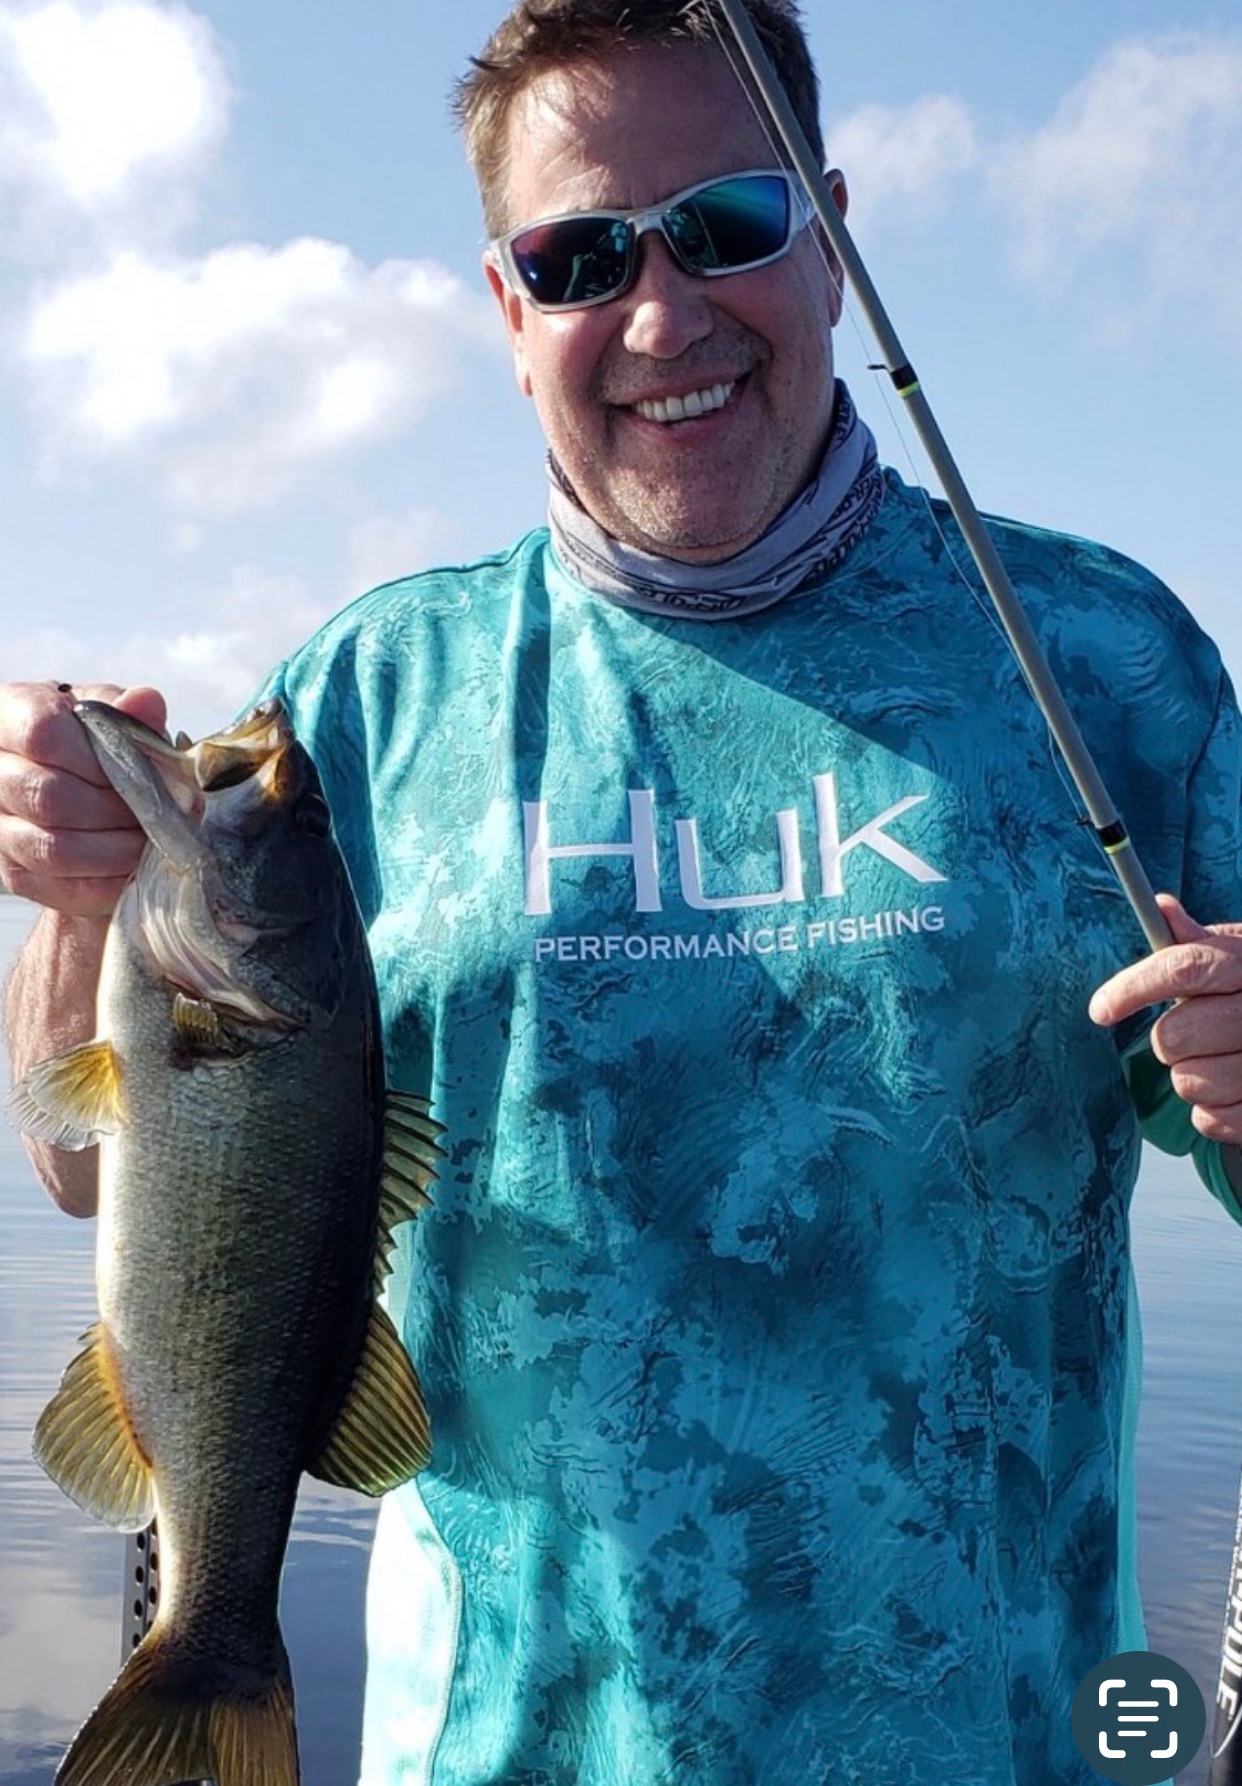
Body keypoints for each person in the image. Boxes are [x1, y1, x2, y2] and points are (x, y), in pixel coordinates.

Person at [4, 2, 1242, 1780]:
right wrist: (72, 902)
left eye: (725, 223)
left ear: (828, 234)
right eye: (579, 256)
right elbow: (99, 1169)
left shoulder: (1105, 658)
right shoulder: (363, 699)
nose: (662, 314)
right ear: (510, 314)